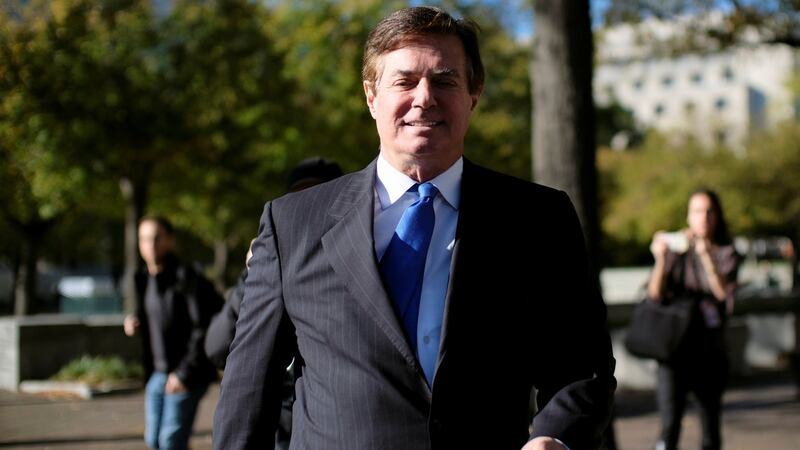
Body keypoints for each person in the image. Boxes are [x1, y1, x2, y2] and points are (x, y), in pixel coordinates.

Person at [213, 6, 615, 450]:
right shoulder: (293, 224)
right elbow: (250, 390)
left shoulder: (539, 219)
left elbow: (582, 367)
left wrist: (555, 437)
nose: (424, 98)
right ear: (371, 96)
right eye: (404, 81)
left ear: (473, 96)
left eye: (444, 81)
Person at [204, 157, 343, 450]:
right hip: (277, 430)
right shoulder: (274, 252)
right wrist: (254, 279)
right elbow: (217, 347)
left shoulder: (352, 266)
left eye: (318, 195)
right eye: (297, 197)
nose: (306, 206)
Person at [646, 188, 740, 450]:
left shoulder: (726, 253)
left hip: (709, 352)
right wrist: (661, 259)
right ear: (688, 216)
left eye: (709, 211)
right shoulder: (676, 249)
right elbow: (655, 294)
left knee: (710, 427)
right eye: (697, 211)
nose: (704, 218)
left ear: (718, 216)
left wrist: (705, 255)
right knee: (669, 426)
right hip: (674, 351)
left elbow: (723, 294)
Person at [124, 216, 223, 450]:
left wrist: (183, 373)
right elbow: (144, 311)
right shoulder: (141, 278)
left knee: (170, 442)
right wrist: (133, 320)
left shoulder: (187, 278)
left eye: (157, 238)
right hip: (157, 373)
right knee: (153, 441)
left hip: (186, 373)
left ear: (170, 241)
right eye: (144, 239)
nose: (150, 244)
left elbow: (204, 328)